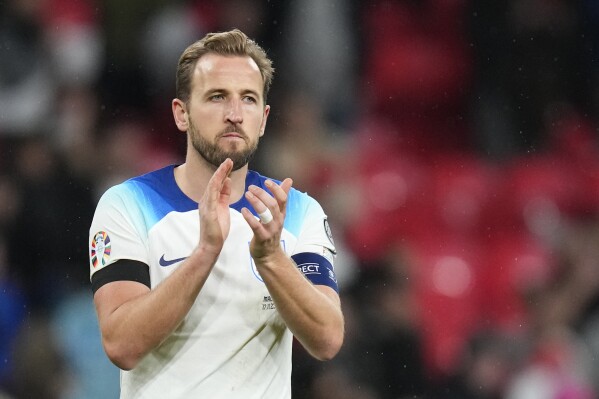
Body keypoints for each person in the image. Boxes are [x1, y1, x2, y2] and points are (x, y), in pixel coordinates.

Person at [88, 29, 344, 398]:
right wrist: (205, 252)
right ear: (182, 113)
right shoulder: (126, 204)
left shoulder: (295, 211)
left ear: (264, 118)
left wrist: (272, 259)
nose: (235, 115)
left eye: (249, 99)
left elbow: (327, 339)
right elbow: (121, 345)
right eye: (217, 97)